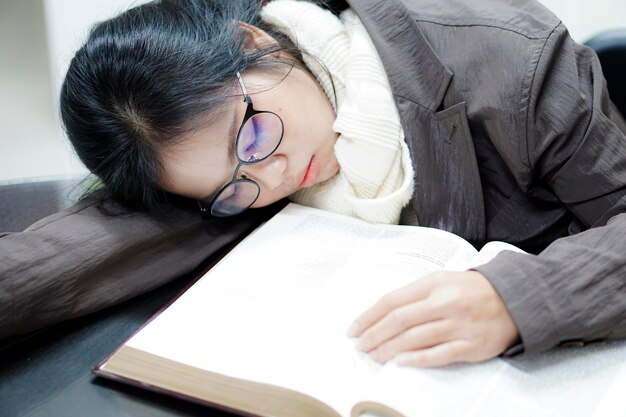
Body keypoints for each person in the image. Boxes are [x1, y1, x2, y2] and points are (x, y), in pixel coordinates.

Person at [4, 0, 626, 368]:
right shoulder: (238, 160)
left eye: (251, 140)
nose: (272, 177)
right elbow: (112, 234)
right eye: (234, 188)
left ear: (251, 42)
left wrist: (522, 300)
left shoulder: (513, 63)